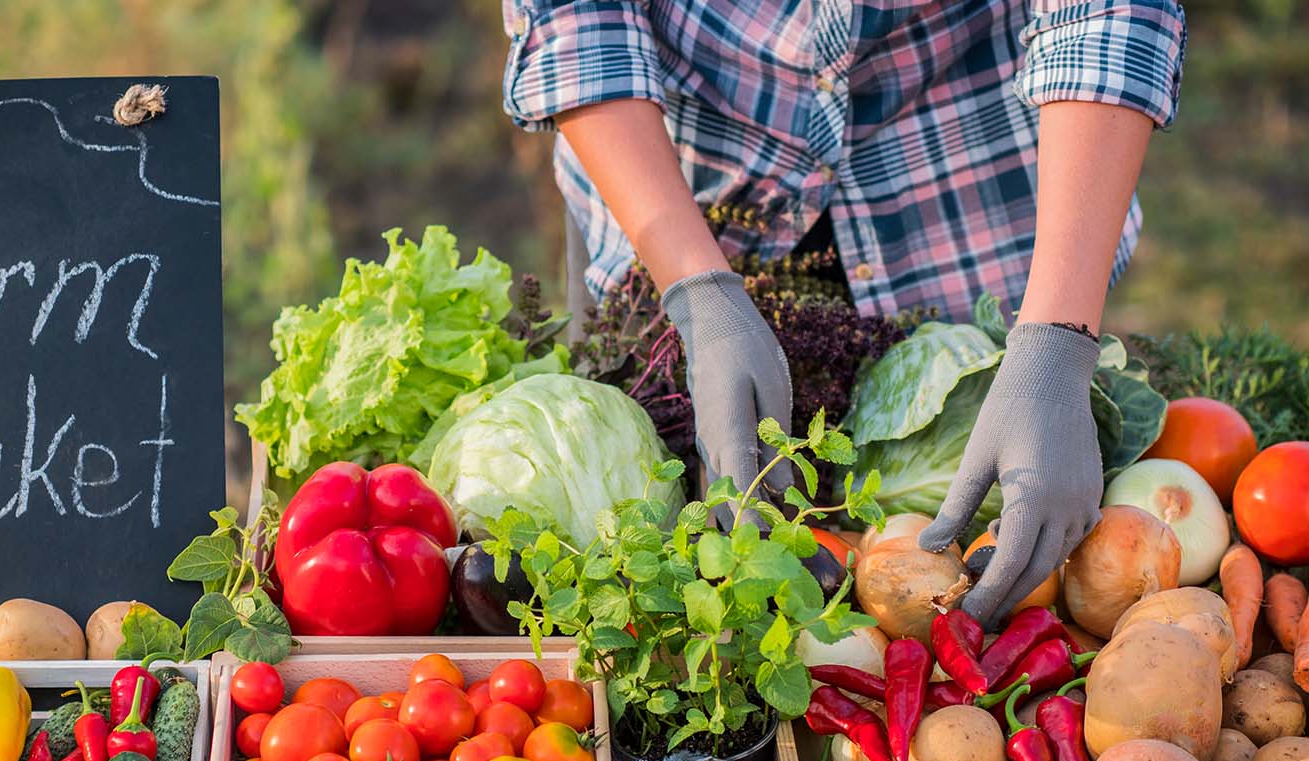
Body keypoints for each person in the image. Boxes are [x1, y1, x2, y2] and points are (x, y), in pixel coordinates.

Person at [499, 0, 1185, 627]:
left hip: (966, 195)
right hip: (673, 179)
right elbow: (578, 22)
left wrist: (1056, 341)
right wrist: (696, 294)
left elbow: (1106, 15)